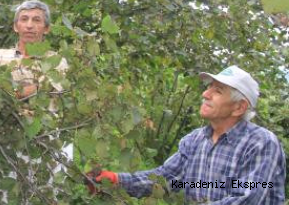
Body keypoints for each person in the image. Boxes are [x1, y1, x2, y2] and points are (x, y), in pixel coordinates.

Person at [93, 65, 286, 204]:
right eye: (209, 87)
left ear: (239, 107)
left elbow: (247, 198)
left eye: (217, 91)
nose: (205, 94)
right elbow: (165, 178)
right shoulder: (194, 140)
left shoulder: (261, 143)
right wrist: (117, 180)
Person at [0, 0, 68, 105]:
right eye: (24, 19)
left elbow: (42, 89)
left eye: (36, 20)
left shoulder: (57, 61)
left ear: (46, 28)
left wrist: (3, 91)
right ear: (16, 27)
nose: (29, 25)